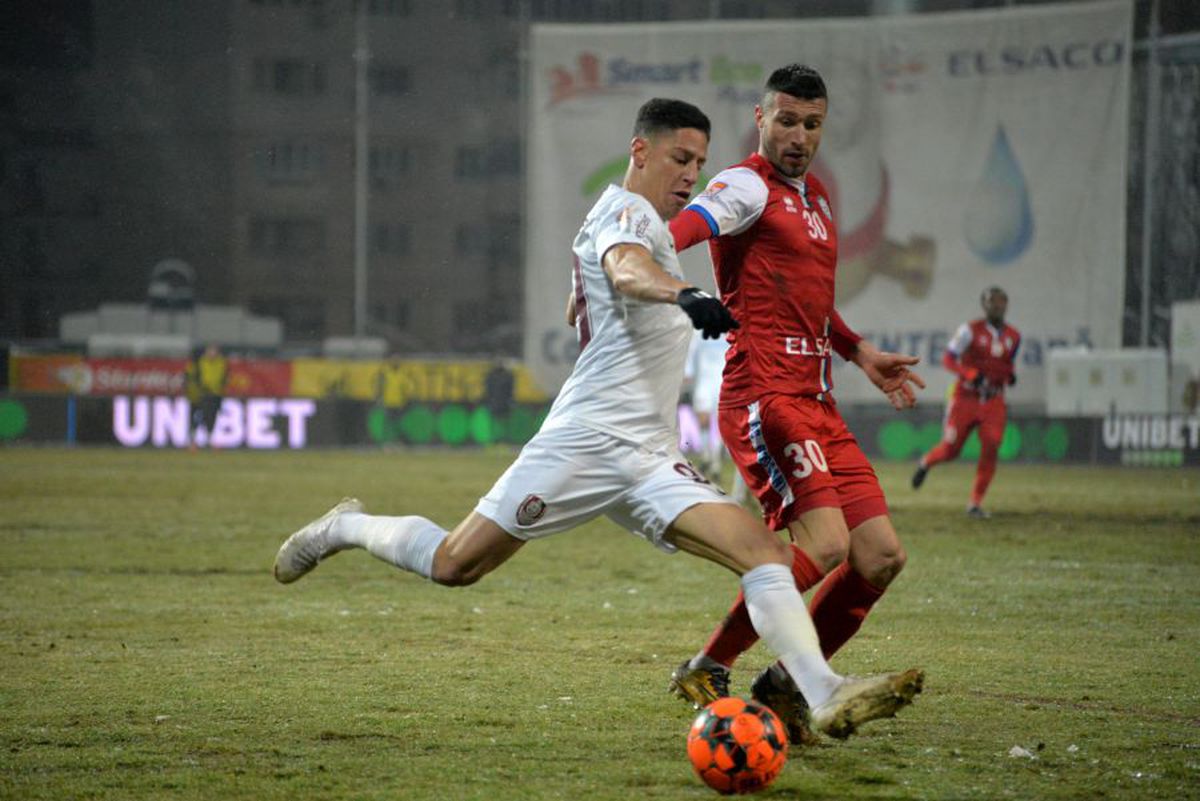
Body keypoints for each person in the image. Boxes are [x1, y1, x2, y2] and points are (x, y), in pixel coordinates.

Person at [274, 97, 921, 740]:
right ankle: (347, 525)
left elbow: (611, 277)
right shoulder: (621, 213)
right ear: (639, 150)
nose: (691, 173)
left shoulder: (651, 229)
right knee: (455, 563)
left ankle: (821, 690)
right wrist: (683, 293)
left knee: (763, 554)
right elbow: (625, 267)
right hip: (582, 442)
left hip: (649, 455)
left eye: (697, 160)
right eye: (679, 158)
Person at [663, 64, 926, 744]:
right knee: (828, 542)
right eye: (786, 120)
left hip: (819, 399)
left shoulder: (815, 201)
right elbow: (684, 228)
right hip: (765, 396)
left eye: (812, 124)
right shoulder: (744, 186)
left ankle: (782, 686)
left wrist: (859, 351)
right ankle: (710, 663)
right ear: (761, 118)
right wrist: (648, 266)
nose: (799, 135)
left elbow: (809, 300)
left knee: (880, 557)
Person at [911, 286, 1020, 518]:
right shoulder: (969, 331)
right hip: (966, 398)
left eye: (1001, 301)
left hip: (994, 400)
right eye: (992, 301)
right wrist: (969, 373)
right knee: (951, 450)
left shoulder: (1014, 336)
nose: (997, 306)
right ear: (984, 305)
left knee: (991, 445)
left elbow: (1007, 364)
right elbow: (948, 359)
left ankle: (975, 503)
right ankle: (926, 462)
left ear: (1007, 305)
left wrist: (1010, 375)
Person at [682, 330, 730, 482]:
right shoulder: (699, 329)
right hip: (703, 382)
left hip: (724, 382)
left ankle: (715, 464)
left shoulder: (730, 329)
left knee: (719, 424)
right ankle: (706, 457)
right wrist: (688, 372)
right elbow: (691, 351)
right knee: (703, 421)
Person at [185, 344, 228, 448]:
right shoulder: (199, 362)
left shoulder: (222, 362)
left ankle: (209, 439)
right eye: (210, 351)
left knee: (211, 417)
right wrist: (198, 390)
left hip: (215, 394)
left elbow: (224, 377)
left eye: (214, 351)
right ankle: (192, 440)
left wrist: (220, 389)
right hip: (200, 394)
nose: (212, 353)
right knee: (197, 417)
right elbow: (191, 378)